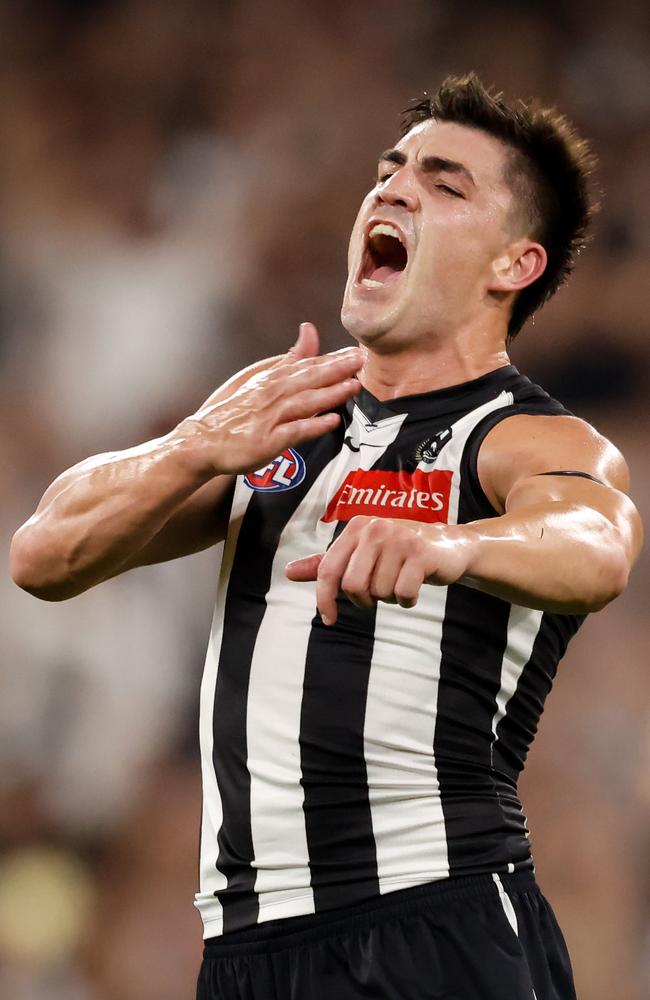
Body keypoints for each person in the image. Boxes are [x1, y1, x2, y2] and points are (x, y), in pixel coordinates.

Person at [11, 74, 643, 1000]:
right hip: (246, 951)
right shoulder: (283, 416)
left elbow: (596, 538)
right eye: (390, 171)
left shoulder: (522, 435)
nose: (393, 190)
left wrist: (458, 547)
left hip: (434, 924)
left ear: (514, 265)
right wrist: (192, 450)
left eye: (445, 183)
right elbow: (45, 554)